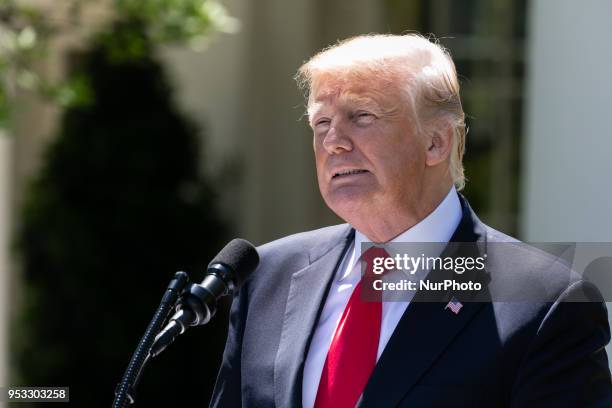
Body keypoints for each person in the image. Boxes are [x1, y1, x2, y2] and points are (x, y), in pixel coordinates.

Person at [210, 33, 612, 407]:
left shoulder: (544, 302)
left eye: (362, 116)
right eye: (322, 123)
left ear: (436, 141)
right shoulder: (268, 276)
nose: (334, 141)